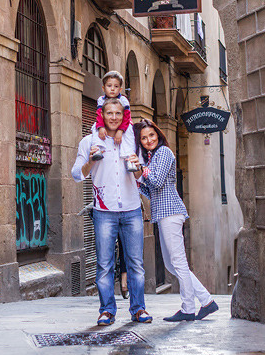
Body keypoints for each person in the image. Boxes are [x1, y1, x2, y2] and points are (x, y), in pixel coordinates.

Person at [72, 98, 152, 326]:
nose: (114, 117)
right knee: (104, 264)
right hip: (104, 212)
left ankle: (139, 309)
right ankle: (107, 310)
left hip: (131, 210)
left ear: (123, 114)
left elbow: (139, 177)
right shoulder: (89, 141)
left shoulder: (131, 141)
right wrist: (89, 161)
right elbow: (77, 174)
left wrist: (138, 167)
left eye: (118, 113)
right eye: (110, 113)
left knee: (136, 263)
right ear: (102, 115)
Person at [129, 119, 218, 322]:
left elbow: (158, 181)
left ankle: (188, 308)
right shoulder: (152, 158)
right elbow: (151, 189)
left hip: (171, 213)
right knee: (171, 265)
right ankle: (206, 301)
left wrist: (141, 169)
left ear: (158, 135)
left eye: (151, 135)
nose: (148, 140)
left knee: (178, 262)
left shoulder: (164, 153)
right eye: (143, 138)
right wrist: (138, 178)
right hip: (163, 213)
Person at [91, 71, 139, 172]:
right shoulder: (101, 100)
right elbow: (99, 115)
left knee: (129, 133)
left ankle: (129, 159)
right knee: (95, 127)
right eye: (109, 86)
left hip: (124, 124)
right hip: (105, 123)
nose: (112, 89)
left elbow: (126, 116)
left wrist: (121, 130)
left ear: (120, 89)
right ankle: (97, 149)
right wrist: (101, 127)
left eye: (116, 86)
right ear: (103, 88)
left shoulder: (124, 100)